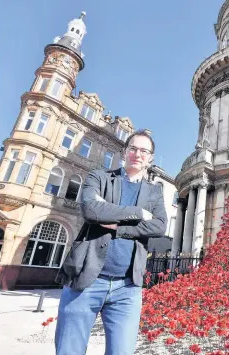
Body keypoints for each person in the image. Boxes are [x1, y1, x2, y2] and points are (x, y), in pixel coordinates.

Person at [55, 130, 167, 355]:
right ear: (125, 151)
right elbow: (91, 210)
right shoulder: (100, 177)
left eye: (144, 151)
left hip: (127, 288)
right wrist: (138, 213)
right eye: (133, 148)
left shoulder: (155, 192)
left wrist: (117, 225)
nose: (138, 154)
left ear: (151, 157)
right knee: (69, 351)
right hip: (85, 281)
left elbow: (159, 226)